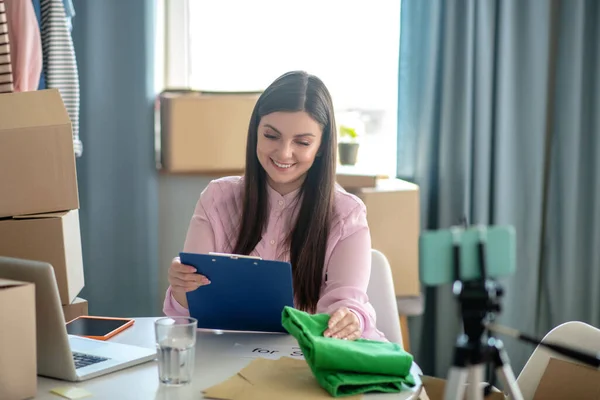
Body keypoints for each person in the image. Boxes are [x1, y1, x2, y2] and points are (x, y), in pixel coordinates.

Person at [163, 70, 385, 341]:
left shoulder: (346, 214)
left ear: (322, 146)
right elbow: (190, 312)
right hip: (227, 355)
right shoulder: (217, 198)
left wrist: (349, 318)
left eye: (302, 142)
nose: (283, 153)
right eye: (271, 136)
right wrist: (180, 287)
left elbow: (347, 303)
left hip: (306, 358)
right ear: (255, 131)